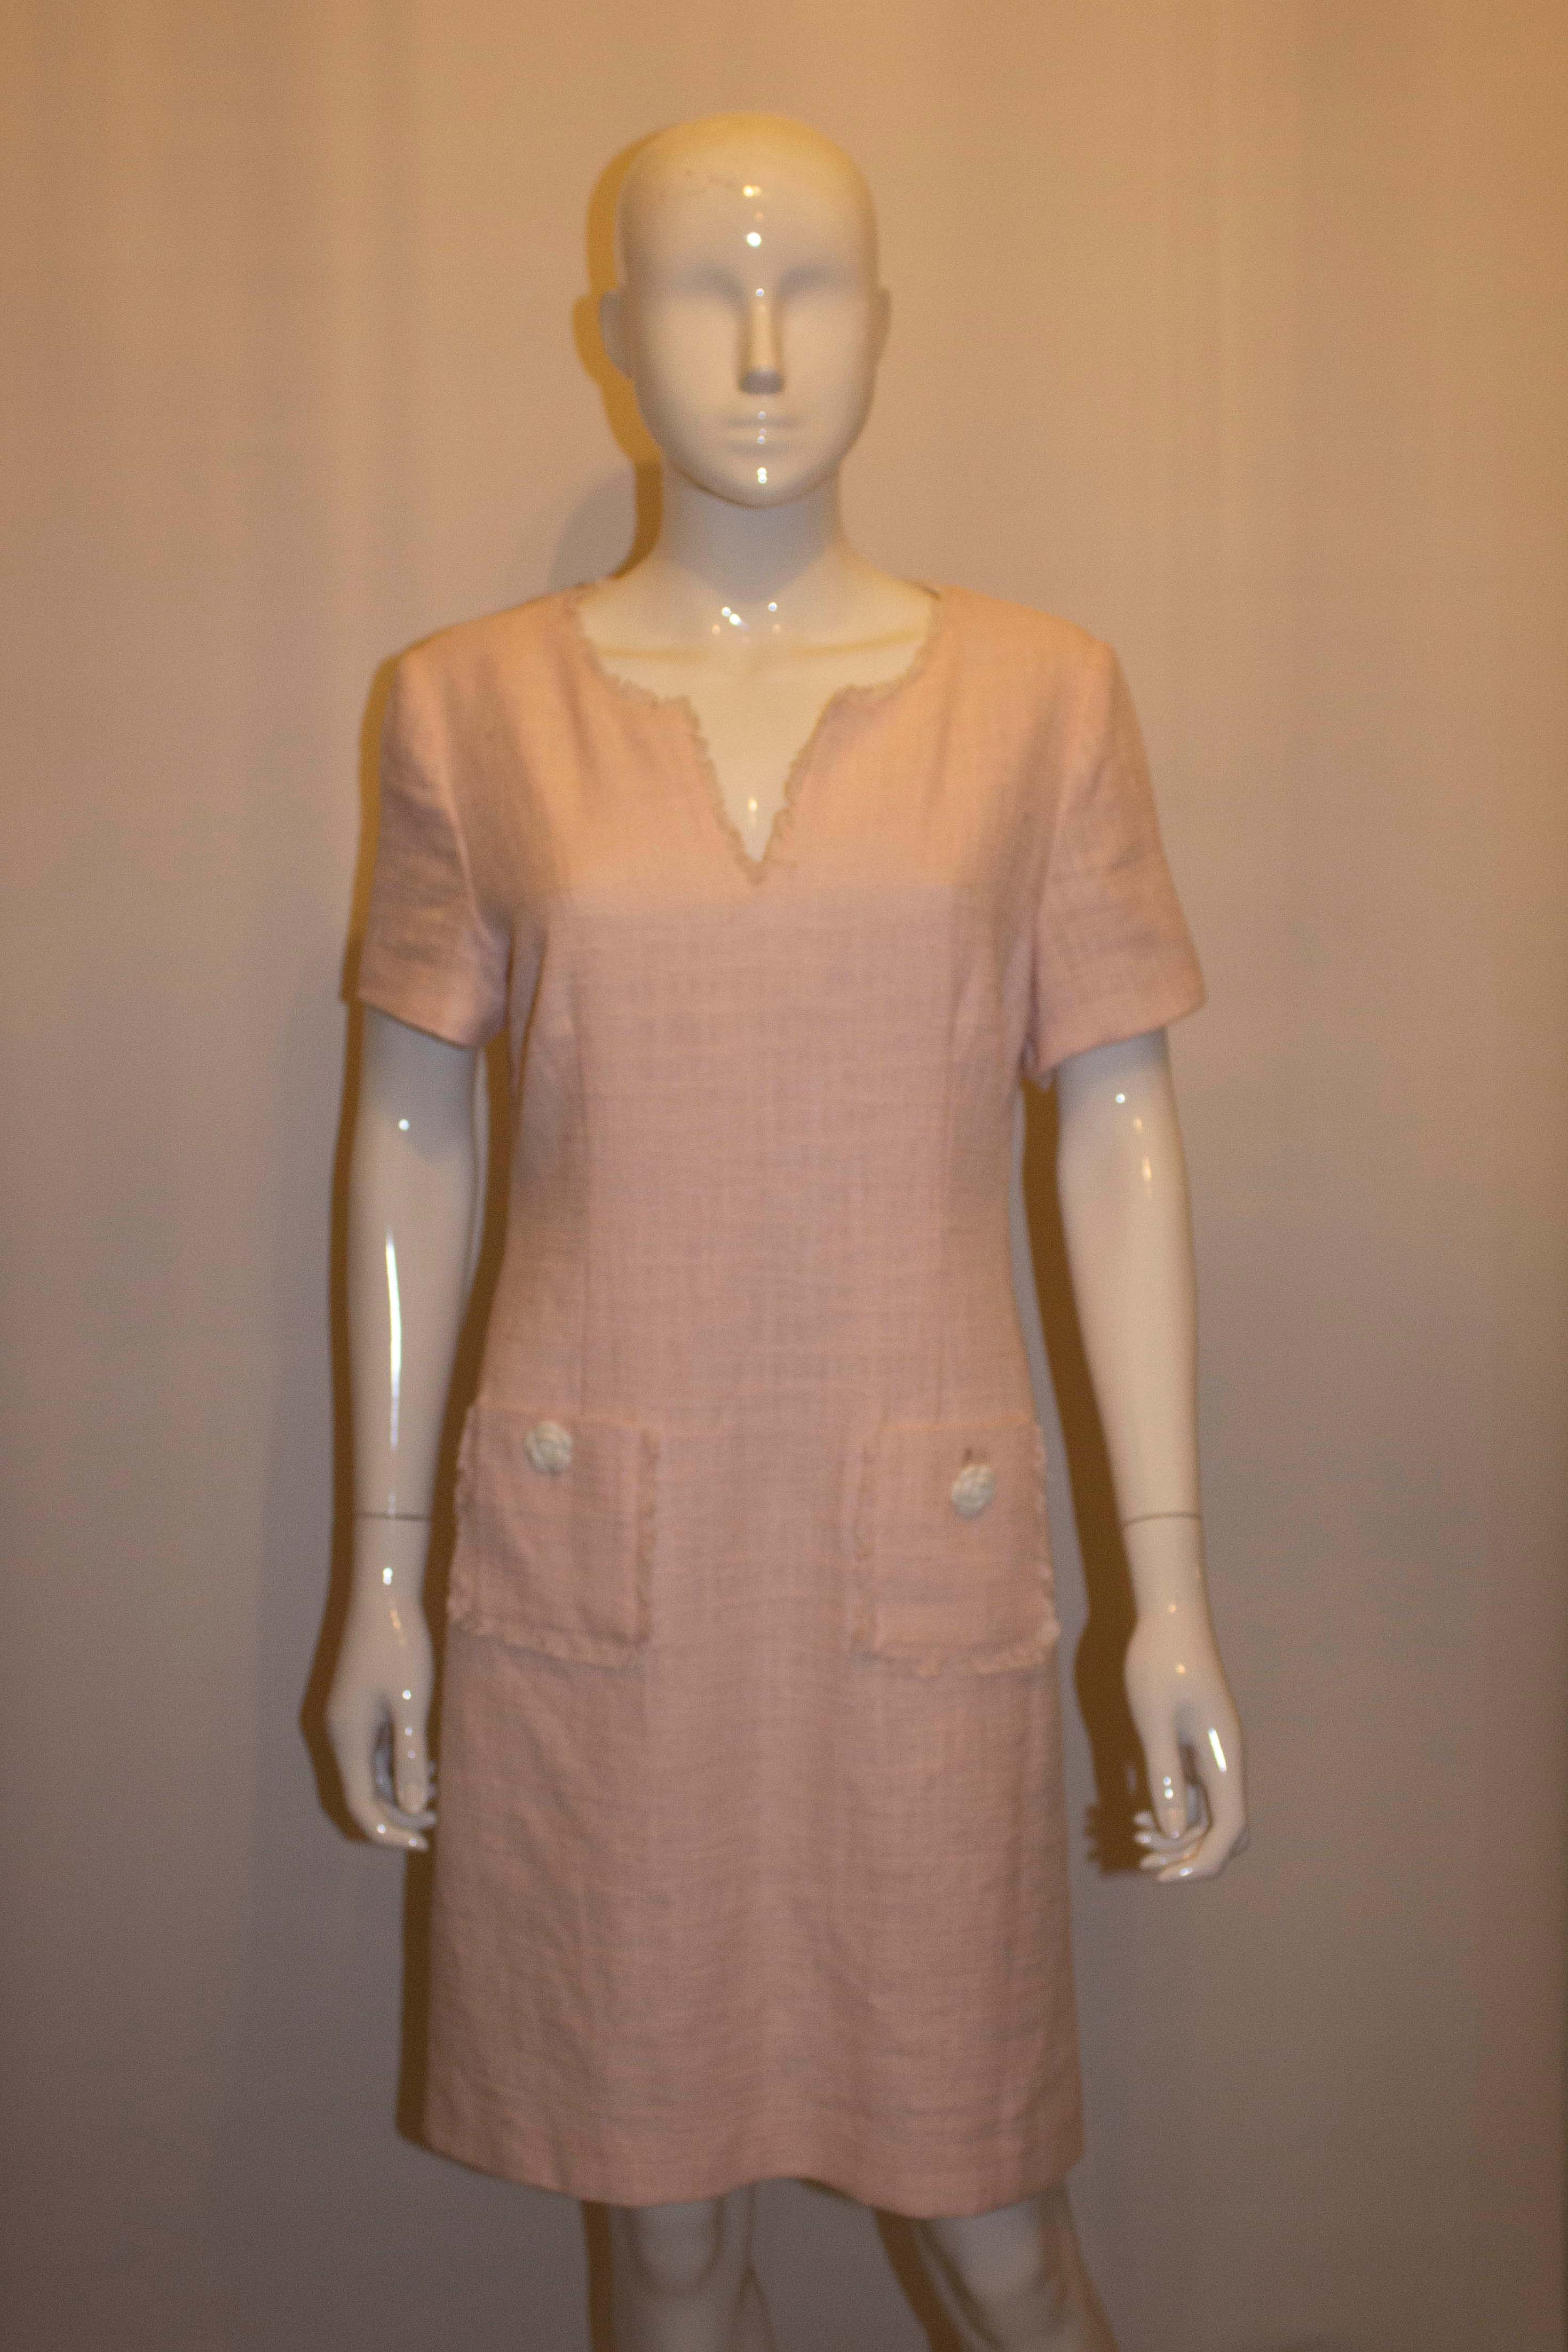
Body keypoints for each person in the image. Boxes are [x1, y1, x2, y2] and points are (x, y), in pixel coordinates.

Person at [327, 109, 1247, 2352]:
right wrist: (381, 1569)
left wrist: (1170, 1585)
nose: (759, 347)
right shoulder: (465, 707)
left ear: (887, 326)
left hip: (903, 1553)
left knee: (995, 2219)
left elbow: (1120, 1121)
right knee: (658, 2230)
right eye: (703, 290)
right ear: (610, 333)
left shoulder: (1041, 700)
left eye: (810, 287)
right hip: (602, 1560)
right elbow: (412, 1127)